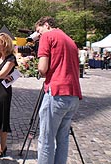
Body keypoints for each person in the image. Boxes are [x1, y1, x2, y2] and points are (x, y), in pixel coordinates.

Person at [35, 16, 82, 164]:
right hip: (73, 95)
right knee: (63, 140)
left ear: (46, 25)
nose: (39, 35)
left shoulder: (48, 36)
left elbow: (42, 69)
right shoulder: (70, 40)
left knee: (46, 140)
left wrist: (34, 67)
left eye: (39, 31)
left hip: (56, 93)